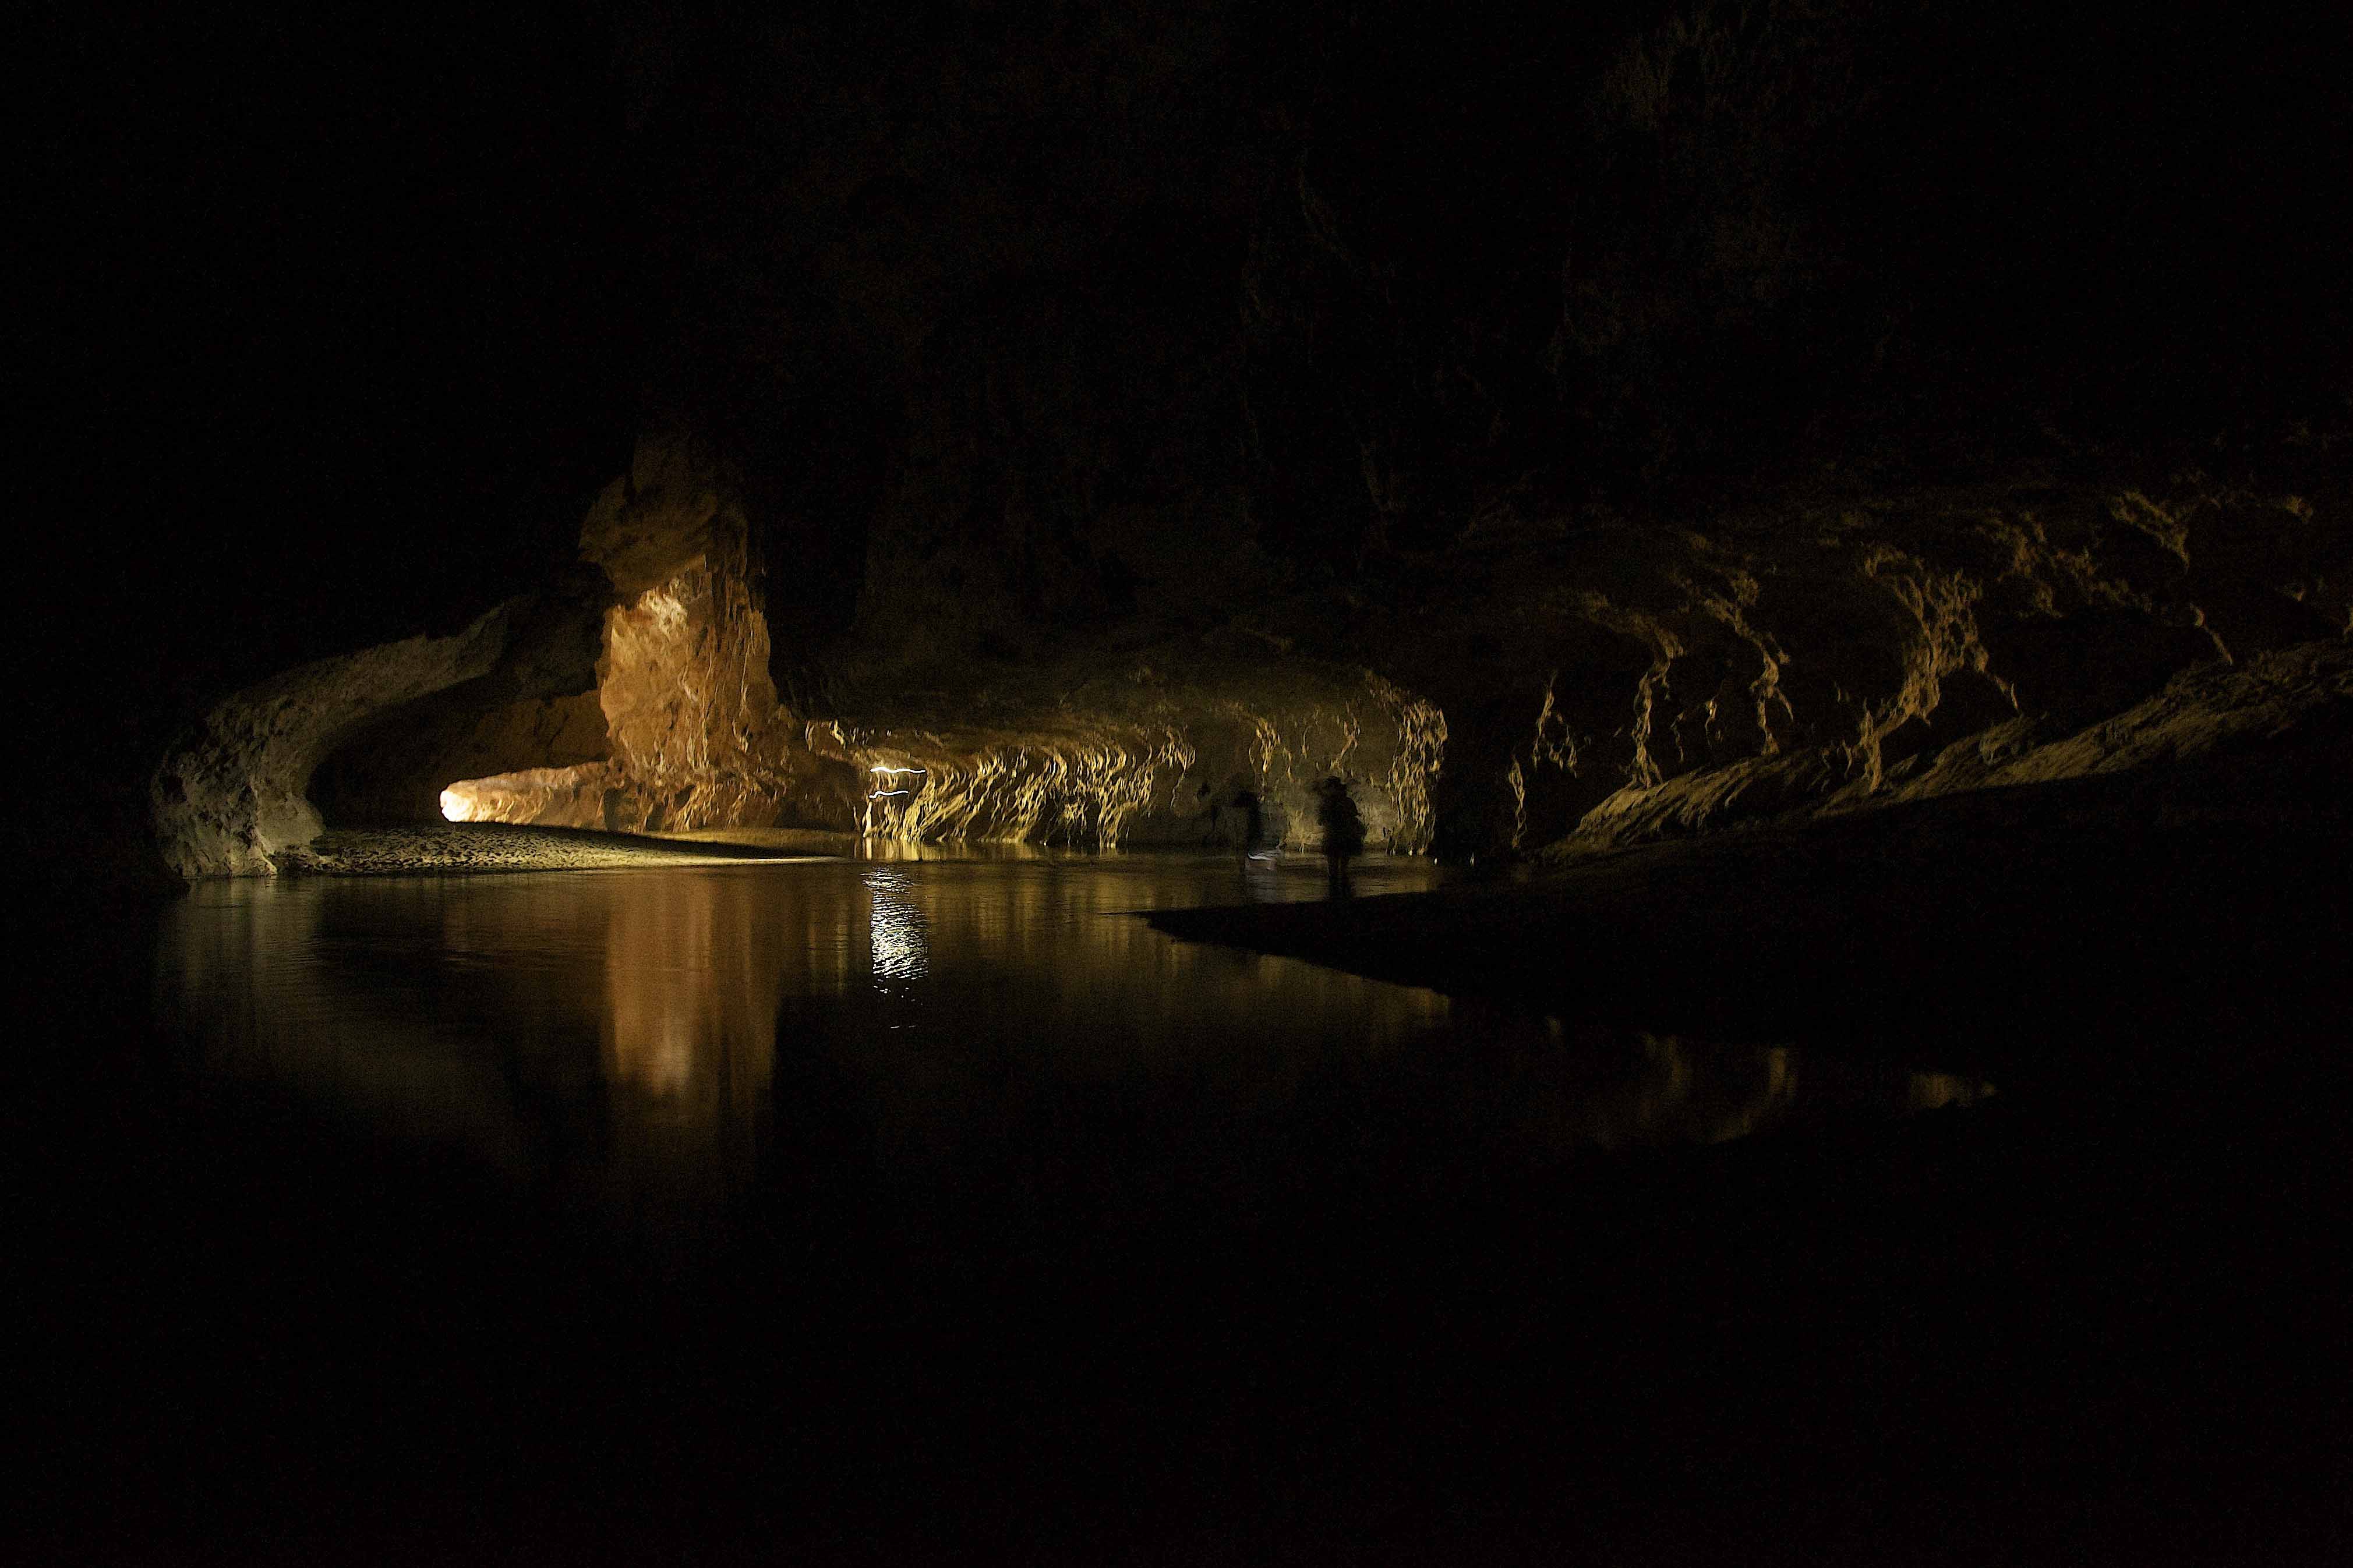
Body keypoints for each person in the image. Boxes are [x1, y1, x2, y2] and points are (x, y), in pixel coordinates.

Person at [1315, 776, 1365, 896]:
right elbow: (1353, 816)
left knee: (1333, 867)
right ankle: (1345, 892)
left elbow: (1321, 821)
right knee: (1343, 867)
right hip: (1345, 837)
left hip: (1334, 837)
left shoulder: (1328, 803)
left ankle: (1334, 893)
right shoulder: (1346, 802)